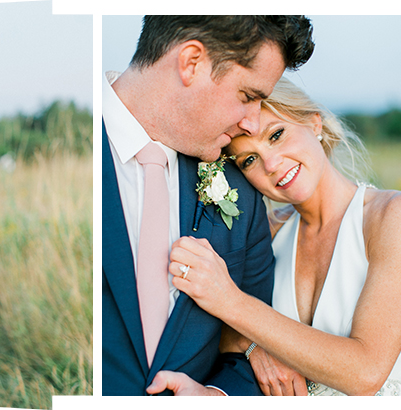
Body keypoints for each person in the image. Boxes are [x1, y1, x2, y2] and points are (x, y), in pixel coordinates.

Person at [100, 15, 314, 396]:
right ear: (191, 62)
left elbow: (252, 347)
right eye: (248, 96)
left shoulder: (240, 185)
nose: (252, 123)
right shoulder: (56, 159)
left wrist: (217, 397)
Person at [165, 78, 401, 396]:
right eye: (249, 160)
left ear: (314, 122)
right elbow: (218, 333)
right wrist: (253, 345)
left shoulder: (389, 217)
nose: (272, 165)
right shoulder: (269, 232)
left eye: (276, 135)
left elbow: (366, 372)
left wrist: (230, 299)